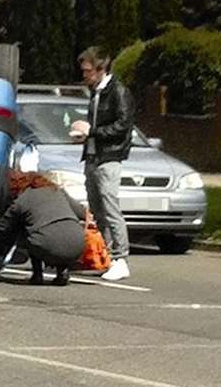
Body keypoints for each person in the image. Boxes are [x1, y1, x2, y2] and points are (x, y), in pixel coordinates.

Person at [71, 46, 135, 281]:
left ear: (101, 69)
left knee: (110, 207)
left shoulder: (118, 91)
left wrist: (92, 132)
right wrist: (86, 136)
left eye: (88, 71)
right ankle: (106, 256)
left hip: (109, 157)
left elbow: (123, 126)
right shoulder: (95, 92)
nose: (84, 75)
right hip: (92, 155)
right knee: (97, 209)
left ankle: (121, 258)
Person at [0, 171, 86, 286]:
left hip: (46, 244)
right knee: (59, 231)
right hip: (78, 244)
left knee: (26, 229)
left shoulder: (21, 201)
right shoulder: (57, 191)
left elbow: (2, 229)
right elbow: (82, 213)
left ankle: (37, 274)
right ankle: (62, 271)